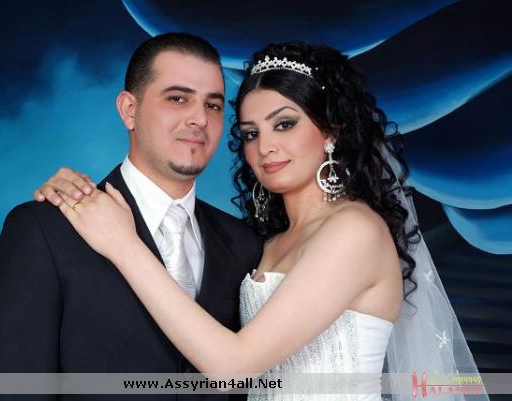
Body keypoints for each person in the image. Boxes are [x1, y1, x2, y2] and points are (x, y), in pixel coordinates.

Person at [38, 42, 486, 401]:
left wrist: (123, 244)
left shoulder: (355, 230)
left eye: (284, 124)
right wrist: (73, 192)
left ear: (331, 131)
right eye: (251, 133)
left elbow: (232, 369)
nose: (264, 147)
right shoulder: (262, 242)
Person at [0, 32, 262, 401]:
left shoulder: (244, 244)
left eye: (213, 105)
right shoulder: (44, 229)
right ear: (129, 110)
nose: (199, 119)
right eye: (177, 98)